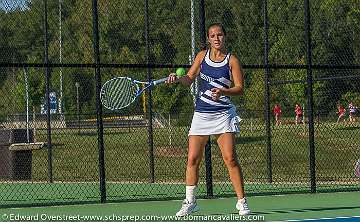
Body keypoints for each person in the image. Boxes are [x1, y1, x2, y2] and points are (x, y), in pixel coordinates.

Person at [167, 23, 250, 216]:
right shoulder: (201, 57)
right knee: (192, 158)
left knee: (230, 158)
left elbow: (239, 88)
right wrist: (178, 79)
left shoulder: (232, 61)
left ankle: (242, 201)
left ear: (225, 37)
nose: (216, 38)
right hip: (201, 114)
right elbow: (189, 78)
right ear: (208, 38)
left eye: (220, 34)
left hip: (223, 114)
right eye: (213, 35)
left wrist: (224, 91)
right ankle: (190, 202)